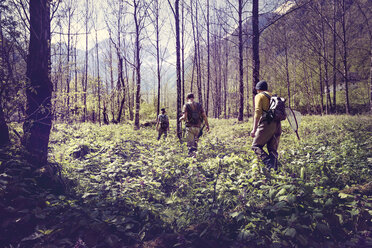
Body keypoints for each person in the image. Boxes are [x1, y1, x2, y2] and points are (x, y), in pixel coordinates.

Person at [250, 80, 282, 170]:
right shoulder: (272, 96)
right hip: (277, 124)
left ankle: (269, 165)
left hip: (267, 124)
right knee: (272, 149)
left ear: (258, 89)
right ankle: (275, 169)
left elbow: (257, 112)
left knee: (255, 146)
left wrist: (254, 129)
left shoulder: (259, 96)